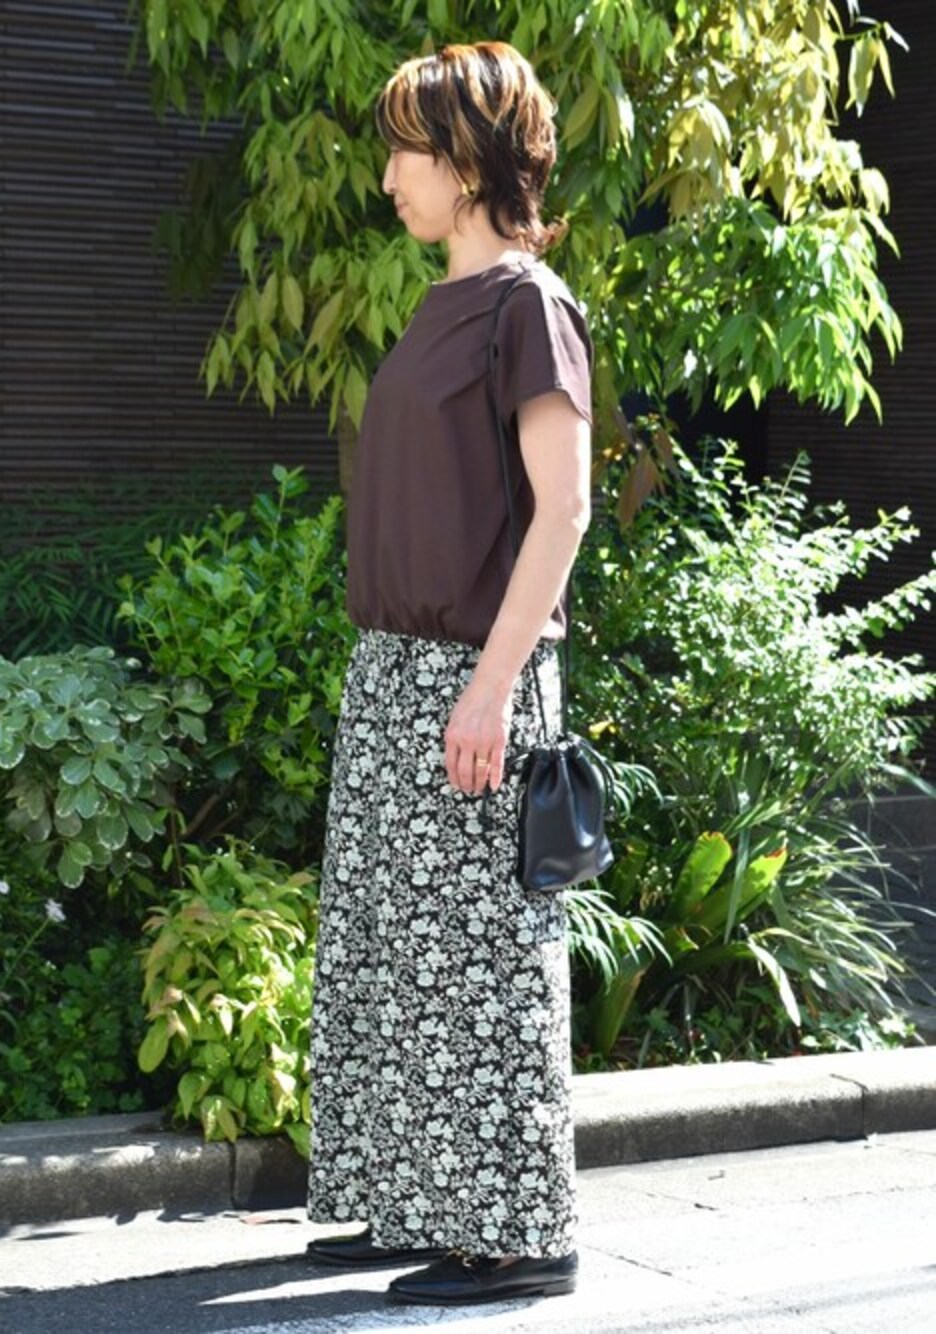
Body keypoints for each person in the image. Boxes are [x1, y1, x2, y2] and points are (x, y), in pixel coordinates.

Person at [303, 39, 594, 1308]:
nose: (387, 178)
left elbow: (564, 508)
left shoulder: (528, 307)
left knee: (479, 958)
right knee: (390, 954)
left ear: (467, 162)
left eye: (405, 153)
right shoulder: (443, 306)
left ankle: (521, 1233)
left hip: (472, 674)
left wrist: (488, 688)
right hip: (394, 671)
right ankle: (418, 1199)